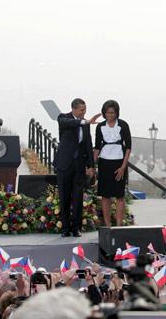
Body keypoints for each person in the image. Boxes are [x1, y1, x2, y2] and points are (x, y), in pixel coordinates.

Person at [54, 98, 98, 237]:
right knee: (64, 196)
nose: (83, 112)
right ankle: (65, 228)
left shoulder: (85, 123)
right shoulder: (63, 118)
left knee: (78, 197)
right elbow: (70, 123)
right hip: (64, 164)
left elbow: (87, 144)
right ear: (73, 109)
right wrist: (84, 121)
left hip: (79, 165)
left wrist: (91, 166)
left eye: (85, 110)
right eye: (81, 110)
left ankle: (76, 228)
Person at [93, 100, 132, 227]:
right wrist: (92, 166)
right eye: (108, 113)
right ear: (104, 113)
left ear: (117, 113)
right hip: (104, 162)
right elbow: (97, 147)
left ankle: (119, 225)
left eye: (113, 113)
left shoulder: (123, 125)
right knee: (105, 196)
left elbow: (128, 147)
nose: (110, 115)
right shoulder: (100, 127)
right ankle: (108, 225)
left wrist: (123, 167)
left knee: (119, 195)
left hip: (119, 162)